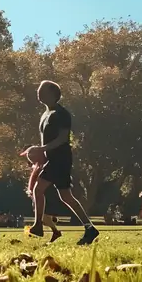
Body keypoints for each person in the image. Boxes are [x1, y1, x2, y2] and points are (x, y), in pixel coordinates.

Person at [22, 81, 98, 245]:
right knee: (66, 196)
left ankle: (37, 226)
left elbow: (63, 138)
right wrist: (40, 154)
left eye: (41, 90)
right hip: (52, 159)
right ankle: (90, 228)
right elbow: (47, 140)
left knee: (38, 188)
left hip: (60, 158)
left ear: (52, 93)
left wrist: (41, 148)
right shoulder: (45, 114)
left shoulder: (61, 113)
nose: (38, 92)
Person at [25, 149, 61, 241]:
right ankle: (53, 230)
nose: (32, 162)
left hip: (46, 193)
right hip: (41, 194)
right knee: (42, 216)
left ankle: (55, 231)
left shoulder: (45, 167)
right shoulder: (38, 166)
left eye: (33, 159)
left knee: (43, 216)